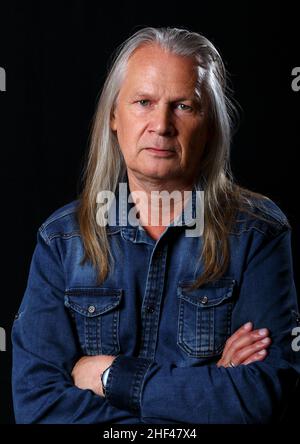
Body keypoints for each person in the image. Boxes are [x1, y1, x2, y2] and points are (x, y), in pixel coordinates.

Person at [12, 27, 300, 424]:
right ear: (114, 116)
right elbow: (37, 405)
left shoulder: (258, 233)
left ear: (211, 123)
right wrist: (205, 395)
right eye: (143, 102)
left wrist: (109, 376)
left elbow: (260, 397)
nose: (161, 125)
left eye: (183, 106)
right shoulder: (61, 240)